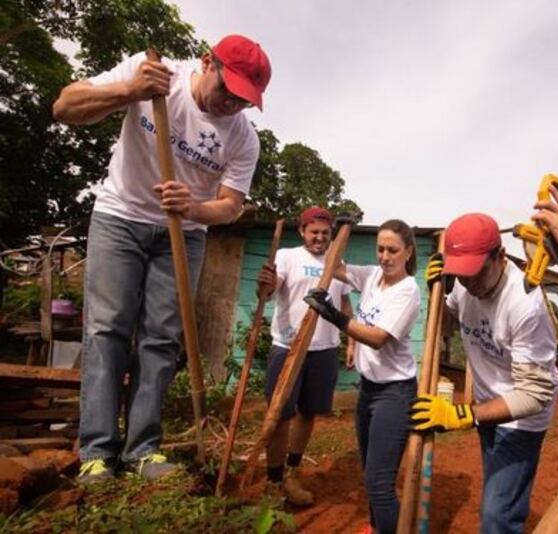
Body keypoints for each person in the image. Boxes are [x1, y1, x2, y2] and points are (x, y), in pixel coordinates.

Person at [53, 35, 271, 482]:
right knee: (107, 329)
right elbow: (65, 107)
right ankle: (97, 451)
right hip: (120, 217)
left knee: (161, 339)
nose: (233, 104)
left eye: (244, 101)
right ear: (206, 62)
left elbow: (229, 206)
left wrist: (192, 207)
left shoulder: (244, 140)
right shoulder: (155, 76)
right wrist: (128, 91)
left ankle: (142, 450)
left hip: (184, 234)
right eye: (228, 90)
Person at [414, 212, 558, 534]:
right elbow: (445, 326)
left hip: (521, 417)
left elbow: (534, 395)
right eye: (461, 276)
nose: (469, 284)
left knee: (497, 516)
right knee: (498, 496)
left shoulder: (524, 304)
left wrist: (462, 414)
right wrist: (436, 292)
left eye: (476, 274)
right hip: (487, 403)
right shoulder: (463, 284)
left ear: (501, 256)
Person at [305, 219, 421, 534]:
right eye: (381, 249)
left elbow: (378, 337)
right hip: (368, 390)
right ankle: (375, 526)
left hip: (395, 394)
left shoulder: (407, 291)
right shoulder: (372, 277)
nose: (385, 256)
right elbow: (333, 265)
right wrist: (338, 230)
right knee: (370, 470)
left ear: (408, 252)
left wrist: (333, 315)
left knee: (379, 481)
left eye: (393, 250)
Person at [255, 206, 351, 505]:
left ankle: (292, 474)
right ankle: (273, 481)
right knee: (279, 416)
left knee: (309, 413)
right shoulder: (287, 257)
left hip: (324, 350)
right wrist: (265, 285)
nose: (320, 238)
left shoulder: (338, 262)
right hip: (287, 347)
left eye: (325, 233)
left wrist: (353, 341)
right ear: (302, 232)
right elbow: (268, 293)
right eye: (314, 232)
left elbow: (344, 302)